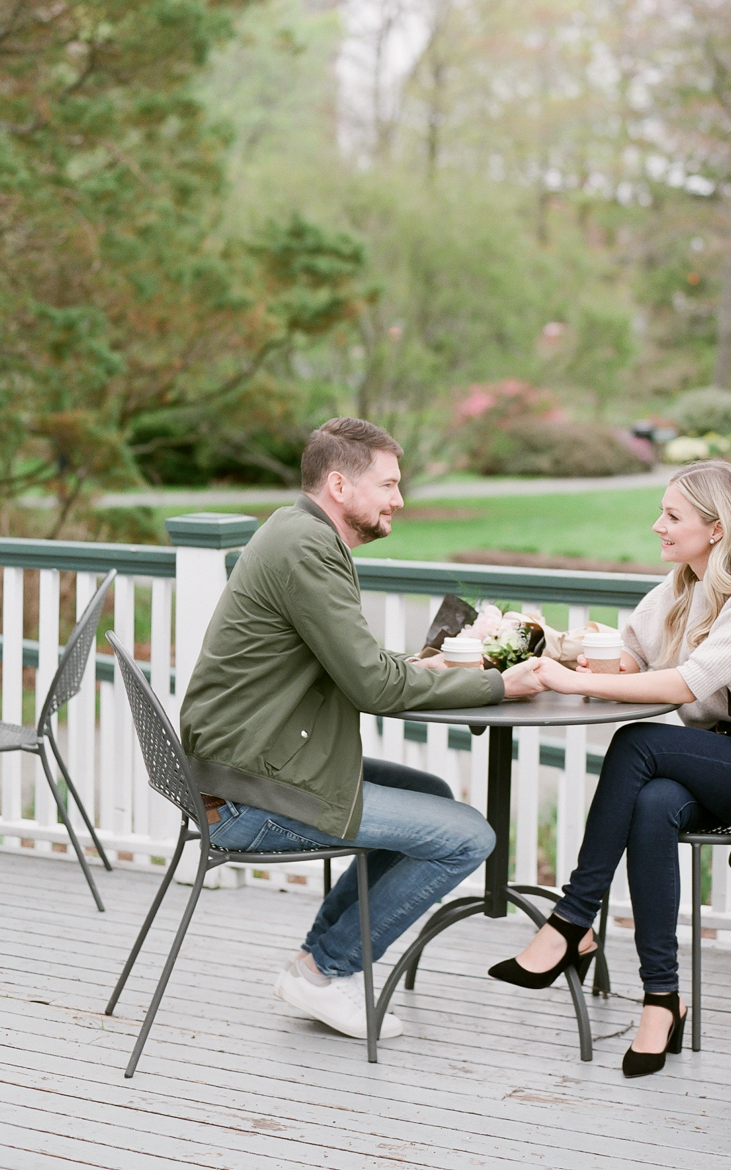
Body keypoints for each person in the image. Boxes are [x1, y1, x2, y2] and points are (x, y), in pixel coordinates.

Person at [180, 417, 542, 1042]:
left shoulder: (297, 531)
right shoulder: (306, 548)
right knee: (469, 837)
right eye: (390, 485)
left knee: (428, 792)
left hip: (247, 764)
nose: (399, 501)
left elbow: (362, 665)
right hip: (245, 794)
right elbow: (374, 688)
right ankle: (331, 968)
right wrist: (499, 685)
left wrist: (422, 666)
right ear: (341, 486)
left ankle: (313, 963)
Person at [487, 459, 731, 1077]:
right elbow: (630, 657)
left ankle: (572, 918)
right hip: (715, 769)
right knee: (652, 806)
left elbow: (688, 682)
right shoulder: (680, 588)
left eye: (672, 516)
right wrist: (568, 650)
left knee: (636, 745)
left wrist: (565, 679)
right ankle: (662, 997)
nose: (658, 526)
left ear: (715, 527)